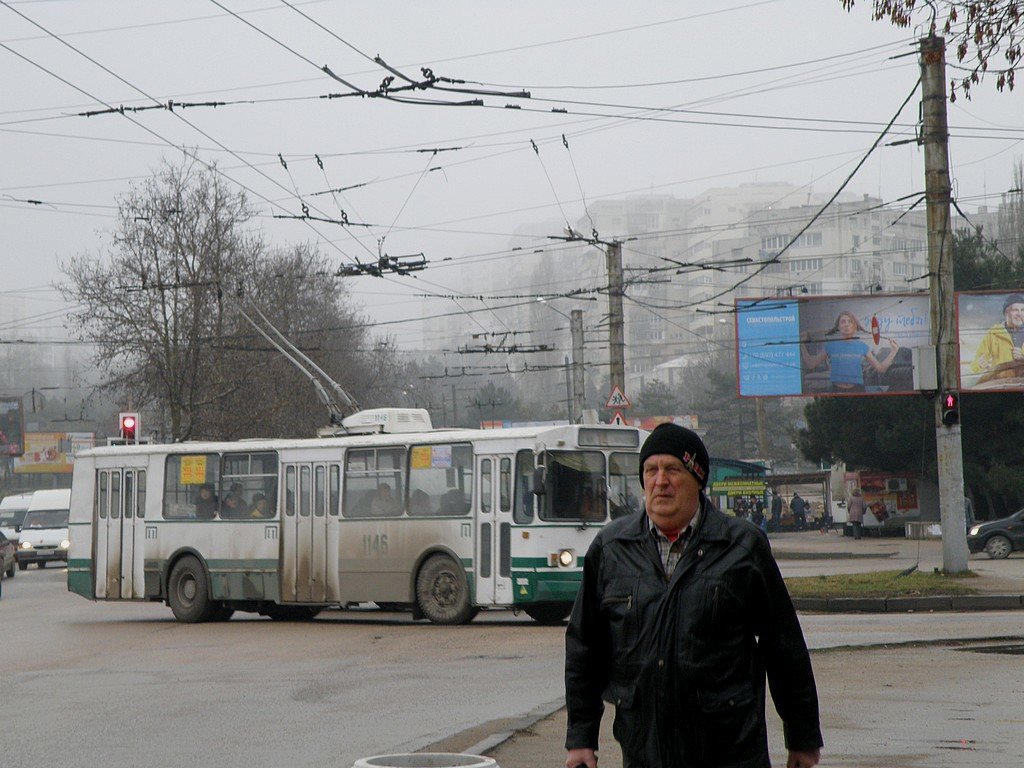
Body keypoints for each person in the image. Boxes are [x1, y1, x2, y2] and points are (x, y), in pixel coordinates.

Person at [564, 423, 822, 768]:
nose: (660, 481)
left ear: (698, 478)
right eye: (650, 471)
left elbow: (783, 646)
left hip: (730, 751)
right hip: (645, 752)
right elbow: (585, 648)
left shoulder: (741, 547)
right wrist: (581, 737)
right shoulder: (611, 550)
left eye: (673, 469)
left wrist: (802, 737)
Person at [801, 310, 901, 393]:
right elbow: (811, 364)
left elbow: (881, 368)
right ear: (838, 327)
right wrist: (801, 343)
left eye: (850, 321)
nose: (846, 324)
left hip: (858, 390)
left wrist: (894, 351)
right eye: (843, 322)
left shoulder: (862, 346)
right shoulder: (830, 346)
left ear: (854, 326)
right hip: (836, 391)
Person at [969, 294, 1024, 380]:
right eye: (1015, 310)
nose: (1020, 314)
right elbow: (975, 365)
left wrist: (1023, 357)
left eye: (1022, 310)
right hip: (1000, 386)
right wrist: (980, 364)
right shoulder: (994, 333)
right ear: (1006, 313)